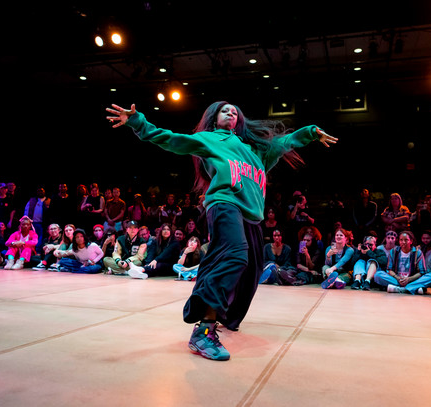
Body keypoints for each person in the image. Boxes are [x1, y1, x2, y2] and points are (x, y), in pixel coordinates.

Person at [107, 100, 336, 360]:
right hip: (225, 204)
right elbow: (170, 139)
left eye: (235, 111)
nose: (231, 113)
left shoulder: (256, 152)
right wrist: (138, 122)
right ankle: (203, 331)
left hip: (251, 216)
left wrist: (310, 133)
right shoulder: (209, 140)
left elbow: (284, 143)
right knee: (235, 256)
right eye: (225, 110)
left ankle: (222, 315)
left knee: (249, 274)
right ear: (215, 118)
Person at [374, 231, 431, 295]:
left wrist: (409, 279)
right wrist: (398, 278)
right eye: (401, 240)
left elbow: (421, 272)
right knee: (378, 275)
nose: (403, 242)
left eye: (406, 240)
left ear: (411, 241)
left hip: (412, 280)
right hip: (397, 280)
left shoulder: (417, 252)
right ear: (399, 241)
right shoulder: (393, 251)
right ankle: (413, 288)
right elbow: (389, 270)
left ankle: (402, 289)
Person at [23, 187, 50, 253]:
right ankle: (30, 251)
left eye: (42, 190)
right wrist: (25, 220)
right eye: (39, 191)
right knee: (32, 237)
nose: (40, 192)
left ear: (44, 192)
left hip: (43, 224)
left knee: (41, 239)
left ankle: (38, 252)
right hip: (33, 223)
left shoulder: (48, 200)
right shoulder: (32, 200)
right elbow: (26, 210)